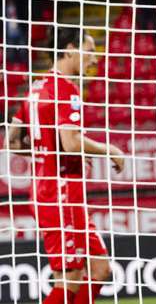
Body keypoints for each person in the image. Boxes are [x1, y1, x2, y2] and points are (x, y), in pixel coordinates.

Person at [5, 28, 125, 304]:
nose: (94, 60)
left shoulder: (35, 88)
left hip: (49, 192)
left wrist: (51, 149)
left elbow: (12, 142)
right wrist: (110, 149)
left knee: (100, 269)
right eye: (90, 51)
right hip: (61, 196)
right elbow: (71, 143)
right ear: (70, 48)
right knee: (69, 281)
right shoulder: (65, 89)